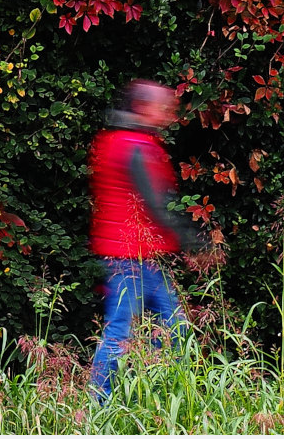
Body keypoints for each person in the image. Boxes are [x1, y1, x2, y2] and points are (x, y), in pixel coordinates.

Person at [86, 78, 208, 402]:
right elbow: (154, 202)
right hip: (127, 256)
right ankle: (100, 404)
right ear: (143, 107)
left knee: (176, 329)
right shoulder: (133, 145)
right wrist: (190, 239)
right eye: (163, 108)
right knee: (121, 331)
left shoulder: (121, 140)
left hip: (143, 255)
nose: (168, 114)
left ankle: (157, 394)